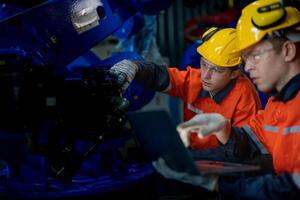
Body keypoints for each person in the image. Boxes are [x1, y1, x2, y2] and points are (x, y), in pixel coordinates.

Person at [152, 0, 300, 199]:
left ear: (288, 50)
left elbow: (289, 188)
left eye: (255, 55)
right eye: (245, 59)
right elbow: (251, 140)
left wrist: (216, 185)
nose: (247, 68)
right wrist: (225, 129)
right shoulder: (277, 105)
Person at [110, 27, 262, 158]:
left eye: (217, 70)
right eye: (204, 64)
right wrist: (135, 67)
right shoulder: (196, 79)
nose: (205, 75)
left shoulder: (245, 97)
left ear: (235, 73)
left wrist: (189, 157)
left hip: (225, 166)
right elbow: (162, 77)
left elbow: (243, 151)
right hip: (195, 154)